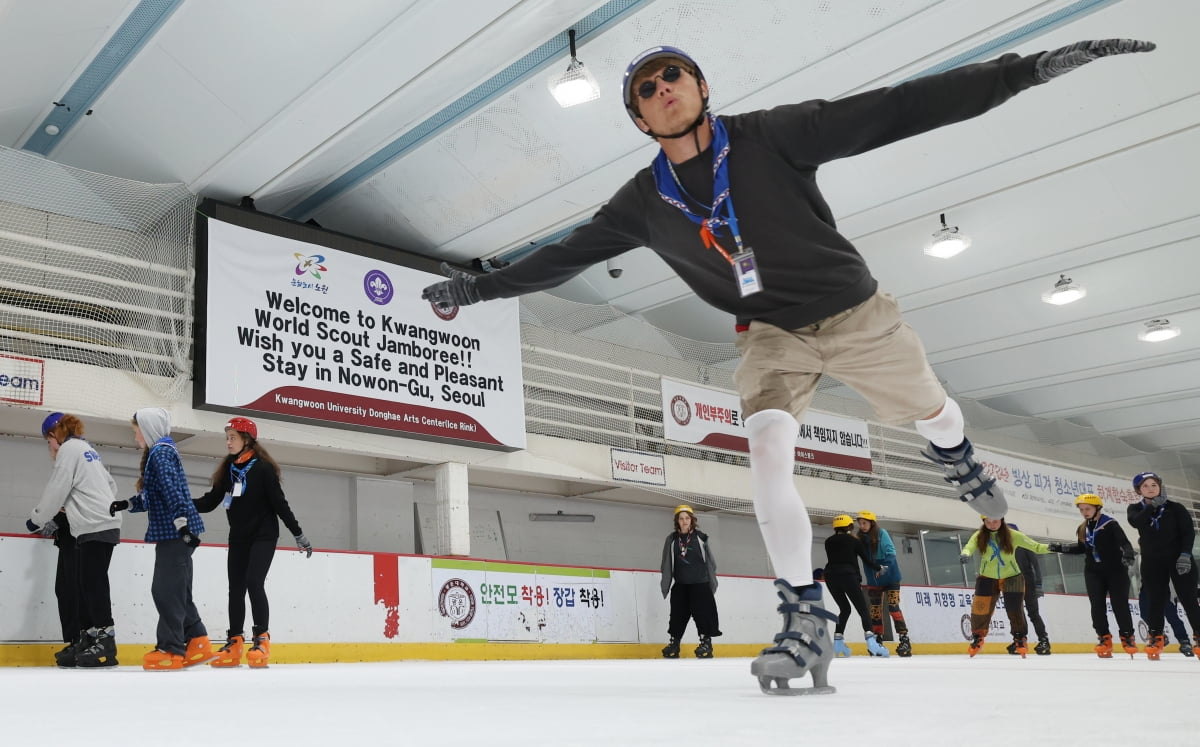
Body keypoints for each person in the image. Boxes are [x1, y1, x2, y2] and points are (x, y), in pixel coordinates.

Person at [420, 39, 1154, 694]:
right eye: (646, 89)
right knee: (766, 457)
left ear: (703, 88)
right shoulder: (644, 202)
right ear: (640, 121)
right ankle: (806, 617)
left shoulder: (771, 134)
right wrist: (474, 287)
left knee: (935, 409)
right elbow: (560, 256)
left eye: (674, 75)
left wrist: (1022, 71)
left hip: (854, 311)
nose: (662, 88)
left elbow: (893, 110)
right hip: (770, 333)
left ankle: (959, 458)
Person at [193, 417, 312, 668]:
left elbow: (280, 503)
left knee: (253, 582)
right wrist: (181, 502)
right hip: (238, 535)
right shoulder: (227, 469)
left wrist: (298, 533)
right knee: (235, 587)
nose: (228, 442)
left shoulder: (263, 468)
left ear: (247, 439)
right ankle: (235, 641)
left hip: (263, 535)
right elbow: (210, 501)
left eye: (232, 437)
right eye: (226, 438)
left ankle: (262, 639)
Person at [109, 408, 216, 671]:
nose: (136, 438)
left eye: (137, 432)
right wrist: (126, 504)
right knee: (178, 591)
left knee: (165, 590)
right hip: (176, 530)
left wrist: (181, 524)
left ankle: (171, 649)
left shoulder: (161, 453)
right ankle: (198, 642)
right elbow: (153, 496)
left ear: (148, 429)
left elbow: (171, 489)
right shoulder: (162, 451)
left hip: (175, 532)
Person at [26, 412, 122, 667]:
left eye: (48, 442)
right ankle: (90, 639)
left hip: (94, 526)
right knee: (86, 585)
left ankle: (105, 641)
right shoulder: (87, 450)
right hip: (100, 523)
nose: (49, 448)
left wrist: (36, 519)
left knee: (92, 585)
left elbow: (56, 489)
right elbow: (110, 485)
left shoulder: (69, 450)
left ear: (54, 436)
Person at [1048, 494, 1138, 658]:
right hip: (1093, 572)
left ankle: (1127, 637)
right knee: (1097, 606)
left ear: (1097, 508)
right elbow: (1082, 548)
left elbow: (1124, 542)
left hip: (1116, 571)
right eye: (1082, 510)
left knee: (1120, 605)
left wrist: (1128, 555)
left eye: (1087, 509)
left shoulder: (1110, 524)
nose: (1084, 512)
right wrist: (1061, 548)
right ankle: (1104, 638)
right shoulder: (1084, 527)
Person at [1126, 471, 1200, 660]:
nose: (1150, 489)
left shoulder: (1176, 508)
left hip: (1179, 559)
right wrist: (1152, 507)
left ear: (1160, 486)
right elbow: (1137, 522)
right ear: (1138, 490)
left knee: (1189, 599)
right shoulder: (1135, 509)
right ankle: (1156, 637)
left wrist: (1185, 554)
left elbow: (1187, 533)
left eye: (1154, 485)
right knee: (1156, 600)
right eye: (1145, 486)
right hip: (1152, 561)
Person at [960, 515, 1052, 656]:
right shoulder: (980, 535)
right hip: (987, 577)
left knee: (1015, 609)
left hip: (1012, 576)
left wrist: (1056, 547)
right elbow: (970, 546)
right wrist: (965, 553)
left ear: (1002, 520)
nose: (992, 525)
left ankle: (1020, 637)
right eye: (988, 522)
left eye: (995, 521)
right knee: (980, 608)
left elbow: (1037, 547)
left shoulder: (1013, 535)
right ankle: (978, 637)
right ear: (983, 522)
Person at [659, 505, 720, 659]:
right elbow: (666, 562)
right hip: (681, 585)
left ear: (692, 520)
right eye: (681, 518)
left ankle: (706, 643)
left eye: (687, 518)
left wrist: (711, 582)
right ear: (677, 521)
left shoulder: (701, 537)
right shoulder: (672, 539)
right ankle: (674, 644)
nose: (684, 521)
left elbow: (710, 562)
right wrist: (665, 584)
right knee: (677, 616)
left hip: (700, 584)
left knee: (703, 615)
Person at [823, 514, 886, 657]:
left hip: (830, 577)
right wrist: (879, 568)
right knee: (863, 610)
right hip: (848, 576)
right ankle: (872, 644)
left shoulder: (828, 542)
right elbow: (866, 560)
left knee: (844, 609)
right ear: (849, 526)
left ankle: (838, 643)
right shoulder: (853, 541)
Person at [855, 511, 911, 656]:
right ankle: (878, 638)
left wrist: (884, 567)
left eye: (864, 523)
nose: (862, 526)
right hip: (873, 579)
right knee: (875, 610)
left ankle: (904, 638)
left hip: (891, 577)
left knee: (893, 606)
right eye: (860, 523)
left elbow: (891, 552)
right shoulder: (859, 538)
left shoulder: (881, 533)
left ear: (871, 523)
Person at [1005, 522, 1051, 655]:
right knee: (1017, 614)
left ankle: (1043, 640)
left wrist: (1038, 585)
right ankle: (1020, 639)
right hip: (1012, 583)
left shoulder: (1025, 545)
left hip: (1028, 583)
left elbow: (1036, 566)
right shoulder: (1004, 548)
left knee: (1033, 613)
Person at [1137, 586, 1193, 657]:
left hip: (1166, 585)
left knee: (1171, 616)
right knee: (1144, 613)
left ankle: (1184, 640)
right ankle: (1159, 634)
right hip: (1147, 584)